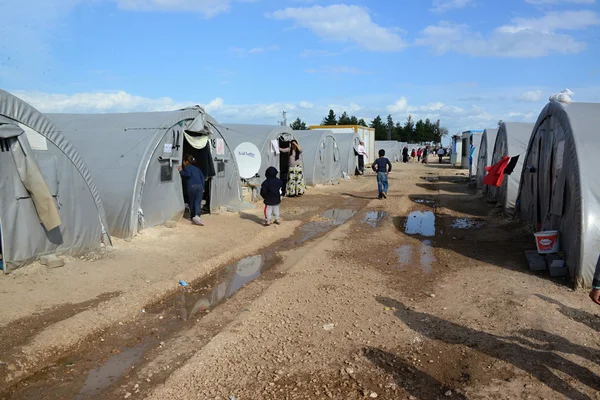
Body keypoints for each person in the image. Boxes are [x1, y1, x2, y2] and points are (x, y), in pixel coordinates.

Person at [178, 154, 205, 226]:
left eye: (183, 161)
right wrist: (203, 187)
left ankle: (193, 216)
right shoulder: (197, 169)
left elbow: (188, 174)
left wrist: (181, 171)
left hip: (192, 186)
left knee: (192, 202)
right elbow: (202, 178)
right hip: (200, 186)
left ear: (186, 162)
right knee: (198, 202)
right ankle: (197, 216)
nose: (183, 163)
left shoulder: (187, 167)